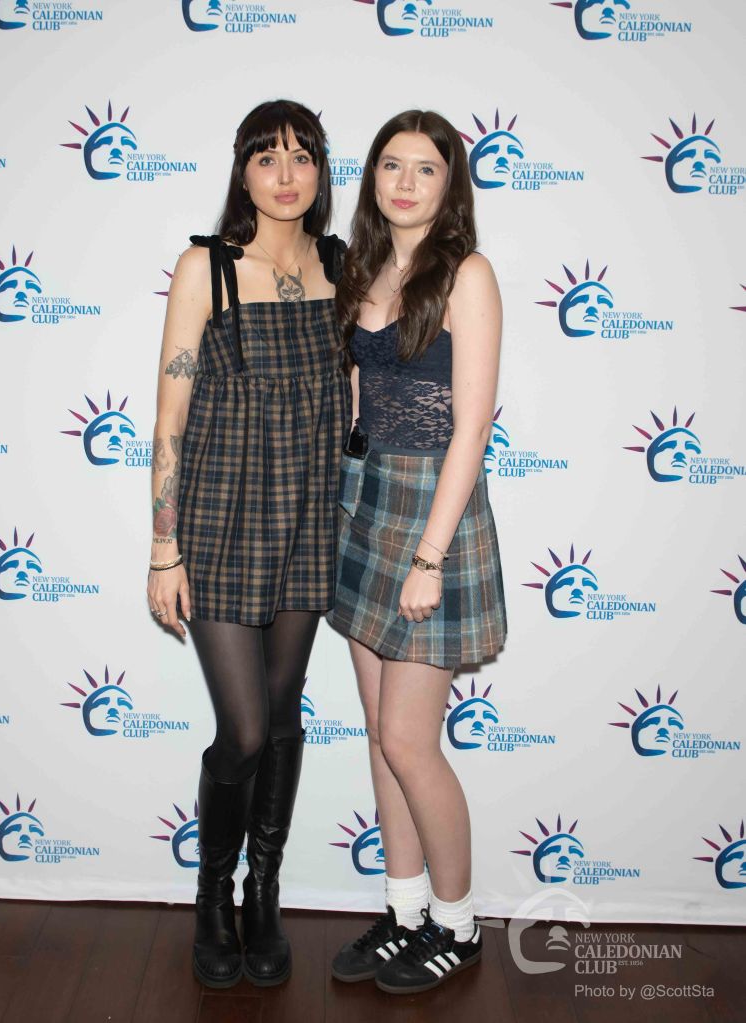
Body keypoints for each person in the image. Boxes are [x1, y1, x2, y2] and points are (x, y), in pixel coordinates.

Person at [147, 99, 350, 989]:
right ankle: (211, 894)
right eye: (266, 156)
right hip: (221, 518)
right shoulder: (207, 268)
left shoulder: (343, 267)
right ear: (242, 171)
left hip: (308, 517)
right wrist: (163, 549)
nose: (285, 173)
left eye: (302, 156)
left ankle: (261, 892)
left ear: (321, 171)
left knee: (284, 712)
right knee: (244, 727)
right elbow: (169, 419)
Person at [327, 109, 507, 994]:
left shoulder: (466, 273)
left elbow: (471, 426)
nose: (404, 182)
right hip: (364, 504)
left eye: (425, 168)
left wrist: (430, 557)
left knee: (409, 739)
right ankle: (403, 912)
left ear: (449, 183)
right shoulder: (361, 269)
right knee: (379, 735)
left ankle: (458, 925)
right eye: (390, 165)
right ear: (372, 180)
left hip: (434, 512)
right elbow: (357, 401)